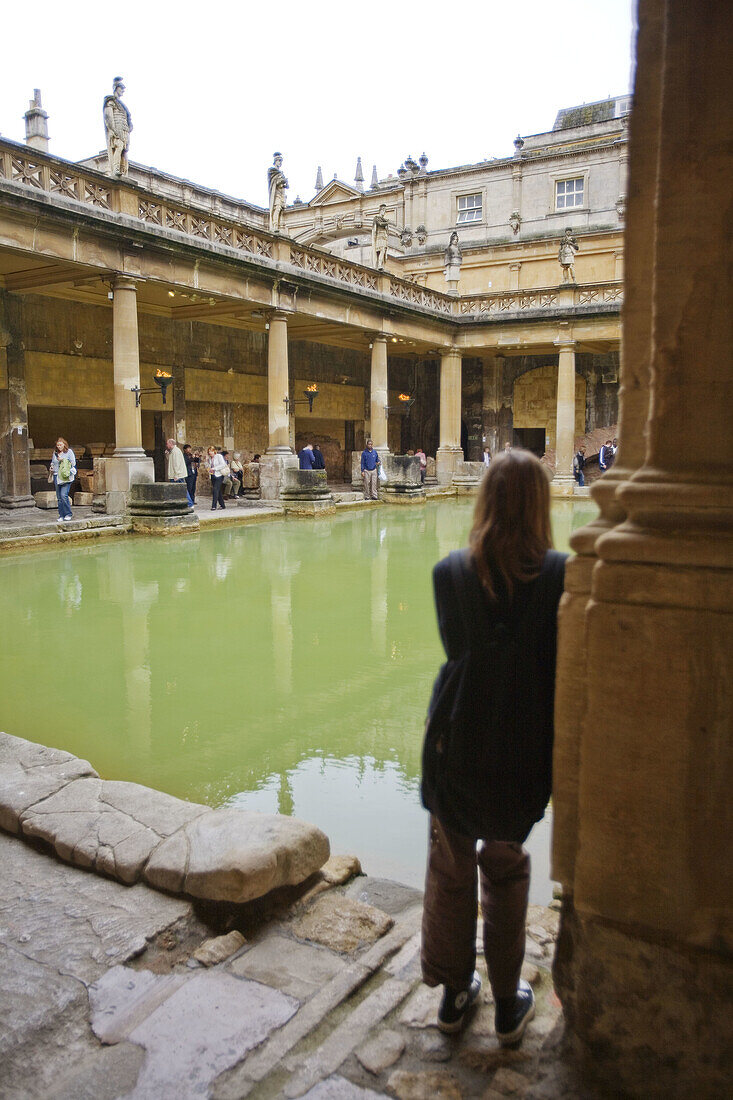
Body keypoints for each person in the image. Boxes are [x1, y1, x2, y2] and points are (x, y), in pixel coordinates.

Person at [421, 450, 567, 1043]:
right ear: (540, 504)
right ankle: (508, 1001)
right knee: (505, 871)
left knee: (451, 867)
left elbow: (461, 650)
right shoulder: (562, 574)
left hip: (456, 742)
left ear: (484, 499)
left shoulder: (448, 573)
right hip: (521, 747)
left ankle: (456, 995)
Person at [49, 437, 76, 523]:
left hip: (66, 476)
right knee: (59, 497)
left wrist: (63, 460)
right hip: (57, 475)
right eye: (58, 445)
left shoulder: (69, 452)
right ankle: (61, 515)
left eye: (60, 445)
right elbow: (53, 462)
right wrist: (51, 467)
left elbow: (73, 463)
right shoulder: (55, 453)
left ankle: (68, 514)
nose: (59, 447)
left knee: (64, 495)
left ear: (64, 444)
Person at [166, 439, 192, 505]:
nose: (166, 445)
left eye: (167, 444)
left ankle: (189, 504)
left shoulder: (176, 451)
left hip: (178, 475)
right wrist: (167, 454)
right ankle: (180, 504)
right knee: (177, 490)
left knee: (182, 490)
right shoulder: (173, 451)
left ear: (171, 444)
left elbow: (176, 464)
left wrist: (177, 474)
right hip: (175, 475)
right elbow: (170, 461)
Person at [207, 446, 227, 510]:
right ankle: (222, 505)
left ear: (214, 451)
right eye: (209, 451)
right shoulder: (209, 458)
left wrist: (214, 468)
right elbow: (208, 466)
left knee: (215, 489)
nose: (210, 452)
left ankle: (214, 506)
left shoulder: (219, 456)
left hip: (219, 475)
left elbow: (223, 464)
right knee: (218, 490)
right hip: (213, 475)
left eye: (211, 451)